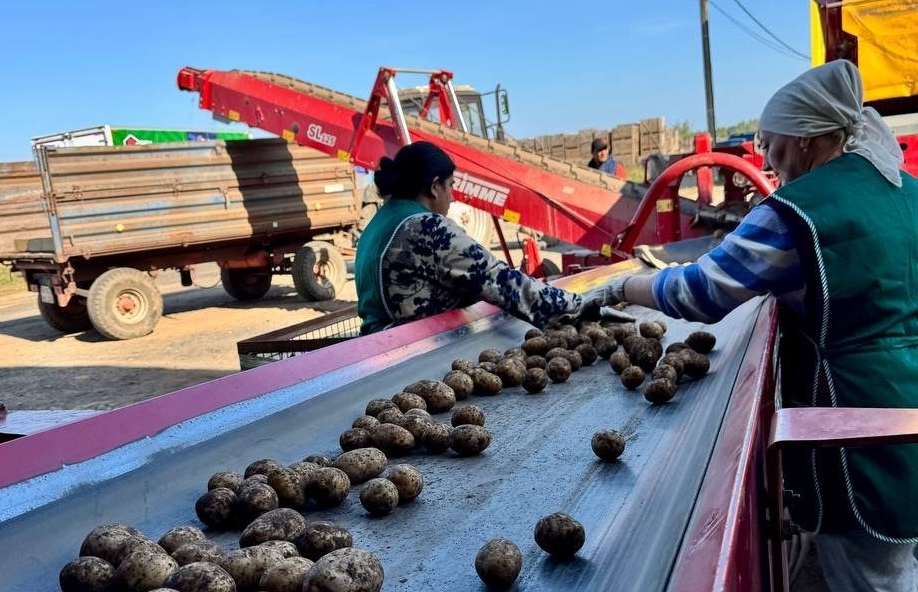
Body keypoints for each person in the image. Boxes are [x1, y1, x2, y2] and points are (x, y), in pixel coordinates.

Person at [601, 60, 918, 590]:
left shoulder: (801, 210)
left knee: (876, 579)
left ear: (810, 141)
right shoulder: (906, 189)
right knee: (903, 559)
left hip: (858, 431)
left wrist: (621, 288)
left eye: (772, 145)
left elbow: (699, 292)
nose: (768, 160)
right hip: (909, 411)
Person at [354, 141, 622, 335]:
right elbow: (500, 281)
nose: (453, 197)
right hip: (409, 351)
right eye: (451, 187)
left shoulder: (378, 224)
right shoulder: (426, 228)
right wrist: (584, 305)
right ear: (435, 187)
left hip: (375, 342)